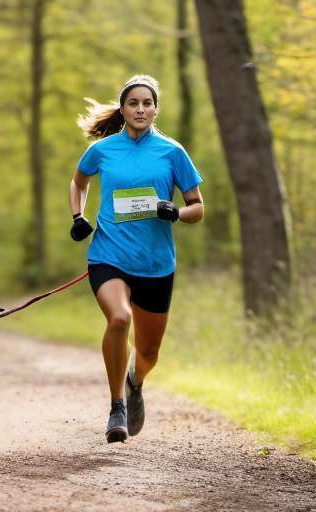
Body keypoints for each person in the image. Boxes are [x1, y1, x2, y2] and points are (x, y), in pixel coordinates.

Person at [68, 75, 204, 443]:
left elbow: (198, 208)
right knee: (119, 318)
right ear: (123, 109)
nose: (141, 109)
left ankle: (134, 381)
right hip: (108, 254)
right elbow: (79, 182)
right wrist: (78, 217)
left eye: (147, 103)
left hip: (156, 264)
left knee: (148, 350)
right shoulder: (103, 150)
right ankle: (117, 406)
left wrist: (174, 211)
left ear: (155, 108)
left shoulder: (172, 152)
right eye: (133, 103)